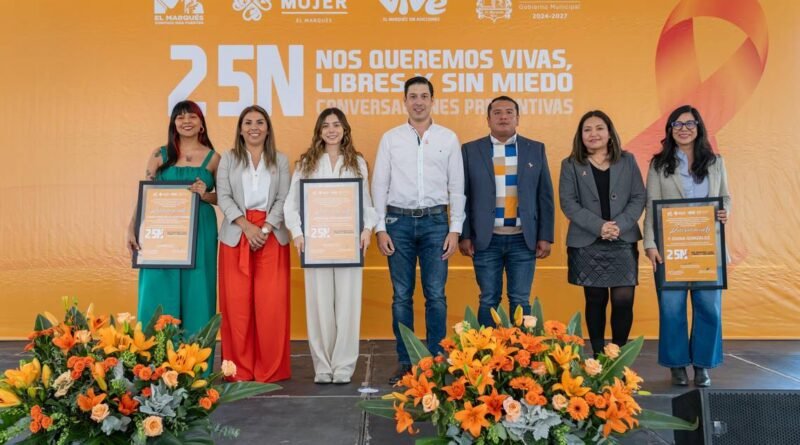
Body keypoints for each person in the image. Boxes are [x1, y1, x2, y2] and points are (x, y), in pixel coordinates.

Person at [371, 76, 465, 384]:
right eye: (413, 96)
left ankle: (436, 360)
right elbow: (379, 185)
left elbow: (457, 187)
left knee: (436, 295)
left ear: (432, 100)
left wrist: (455, 229)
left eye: (424, 96)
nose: (419, 101)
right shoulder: (391, 138)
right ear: (405, 101)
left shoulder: (448, 138)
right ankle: (406, 360)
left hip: (437, 224)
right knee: (401, 296)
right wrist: (380, 228)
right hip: (397, 224)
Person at [284, 108, 377, 384]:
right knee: (319, 303)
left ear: (345, 129)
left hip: (349, 243)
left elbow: (367, 203)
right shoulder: (306, 164)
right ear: (319, 131)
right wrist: (298, 233)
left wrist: (367, 229)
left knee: (348, 304)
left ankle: (345, 366)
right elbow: (292, 203)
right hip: (316, 244)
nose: (331, 130)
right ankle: (323, 365)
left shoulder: (357, 163)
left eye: (336, 125)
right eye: (326, 126)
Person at [643, 105, 731, 387]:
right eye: (677, 124)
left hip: (708, 247)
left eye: (689, 123)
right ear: (670, 130)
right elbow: (651, 206)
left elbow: (725, 198)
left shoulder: (716, 162)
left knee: (709, 307)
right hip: (671, 249)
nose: (683, 128)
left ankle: (703, 365)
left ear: (699, 127)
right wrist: (650, 244)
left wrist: (724, 212)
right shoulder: (658, 164)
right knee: (672, 308)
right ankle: (677, 364)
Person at [126, 100, 220, 344]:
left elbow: (225, 198)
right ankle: (153, 364)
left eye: (192, 117)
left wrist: (205, 195)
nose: (186, 121)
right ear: (173, 123)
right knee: (157, 291)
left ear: (201, 124)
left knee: (198, 293)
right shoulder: (159, 155)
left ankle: (194, 367)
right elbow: (145, 193)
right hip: (161, 229)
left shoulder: (214, 158)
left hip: (200, 230)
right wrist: (132, 227)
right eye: (180, 117)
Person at [459, 96, 554, 328]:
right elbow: (463, 195)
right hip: (485, 240)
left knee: (521, 300)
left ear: (517, 118)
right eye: (498, 112)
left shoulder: (535, 149)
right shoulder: (471, 150)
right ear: (488, 119)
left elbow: (545, 196)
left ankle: (522, 357)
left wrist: (545, 236)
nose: (503, 117)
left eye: (509, 112)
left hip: (523, 239)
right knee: (488, 300)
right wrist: (465, 234)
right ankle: (486, 357)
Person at [559, 110, 646, 357]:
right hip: (588, 242)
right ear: (580, 135)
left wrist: (618, 225)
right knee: (595, 300)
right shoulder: (570, 165)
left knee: (623, 300)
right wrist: (600, 226)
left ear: (609, 133)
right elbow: (569, 203)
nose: (593, 133)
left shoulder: (627, 161)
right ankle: (597, 356)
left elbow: (639, 196)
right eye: (587, 129)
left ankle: (617, 355)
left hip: (622, 238)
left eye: (599, 128)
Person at [216, 105, 291, 382]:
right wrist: (246, 226)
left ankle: (270, 369)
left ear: (268, 128)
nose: (254, 127)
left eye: (260, 122)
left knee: (270, 306)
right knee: (237, 307)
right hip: (237, 235)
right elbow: (223, 196)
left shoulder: (280, 160)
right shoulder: (228, 159)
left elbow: (284, 197)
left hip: (271, 237)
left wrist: (267, 227)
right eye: (248, 122)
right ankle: (239, 369)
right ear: (240, 128)